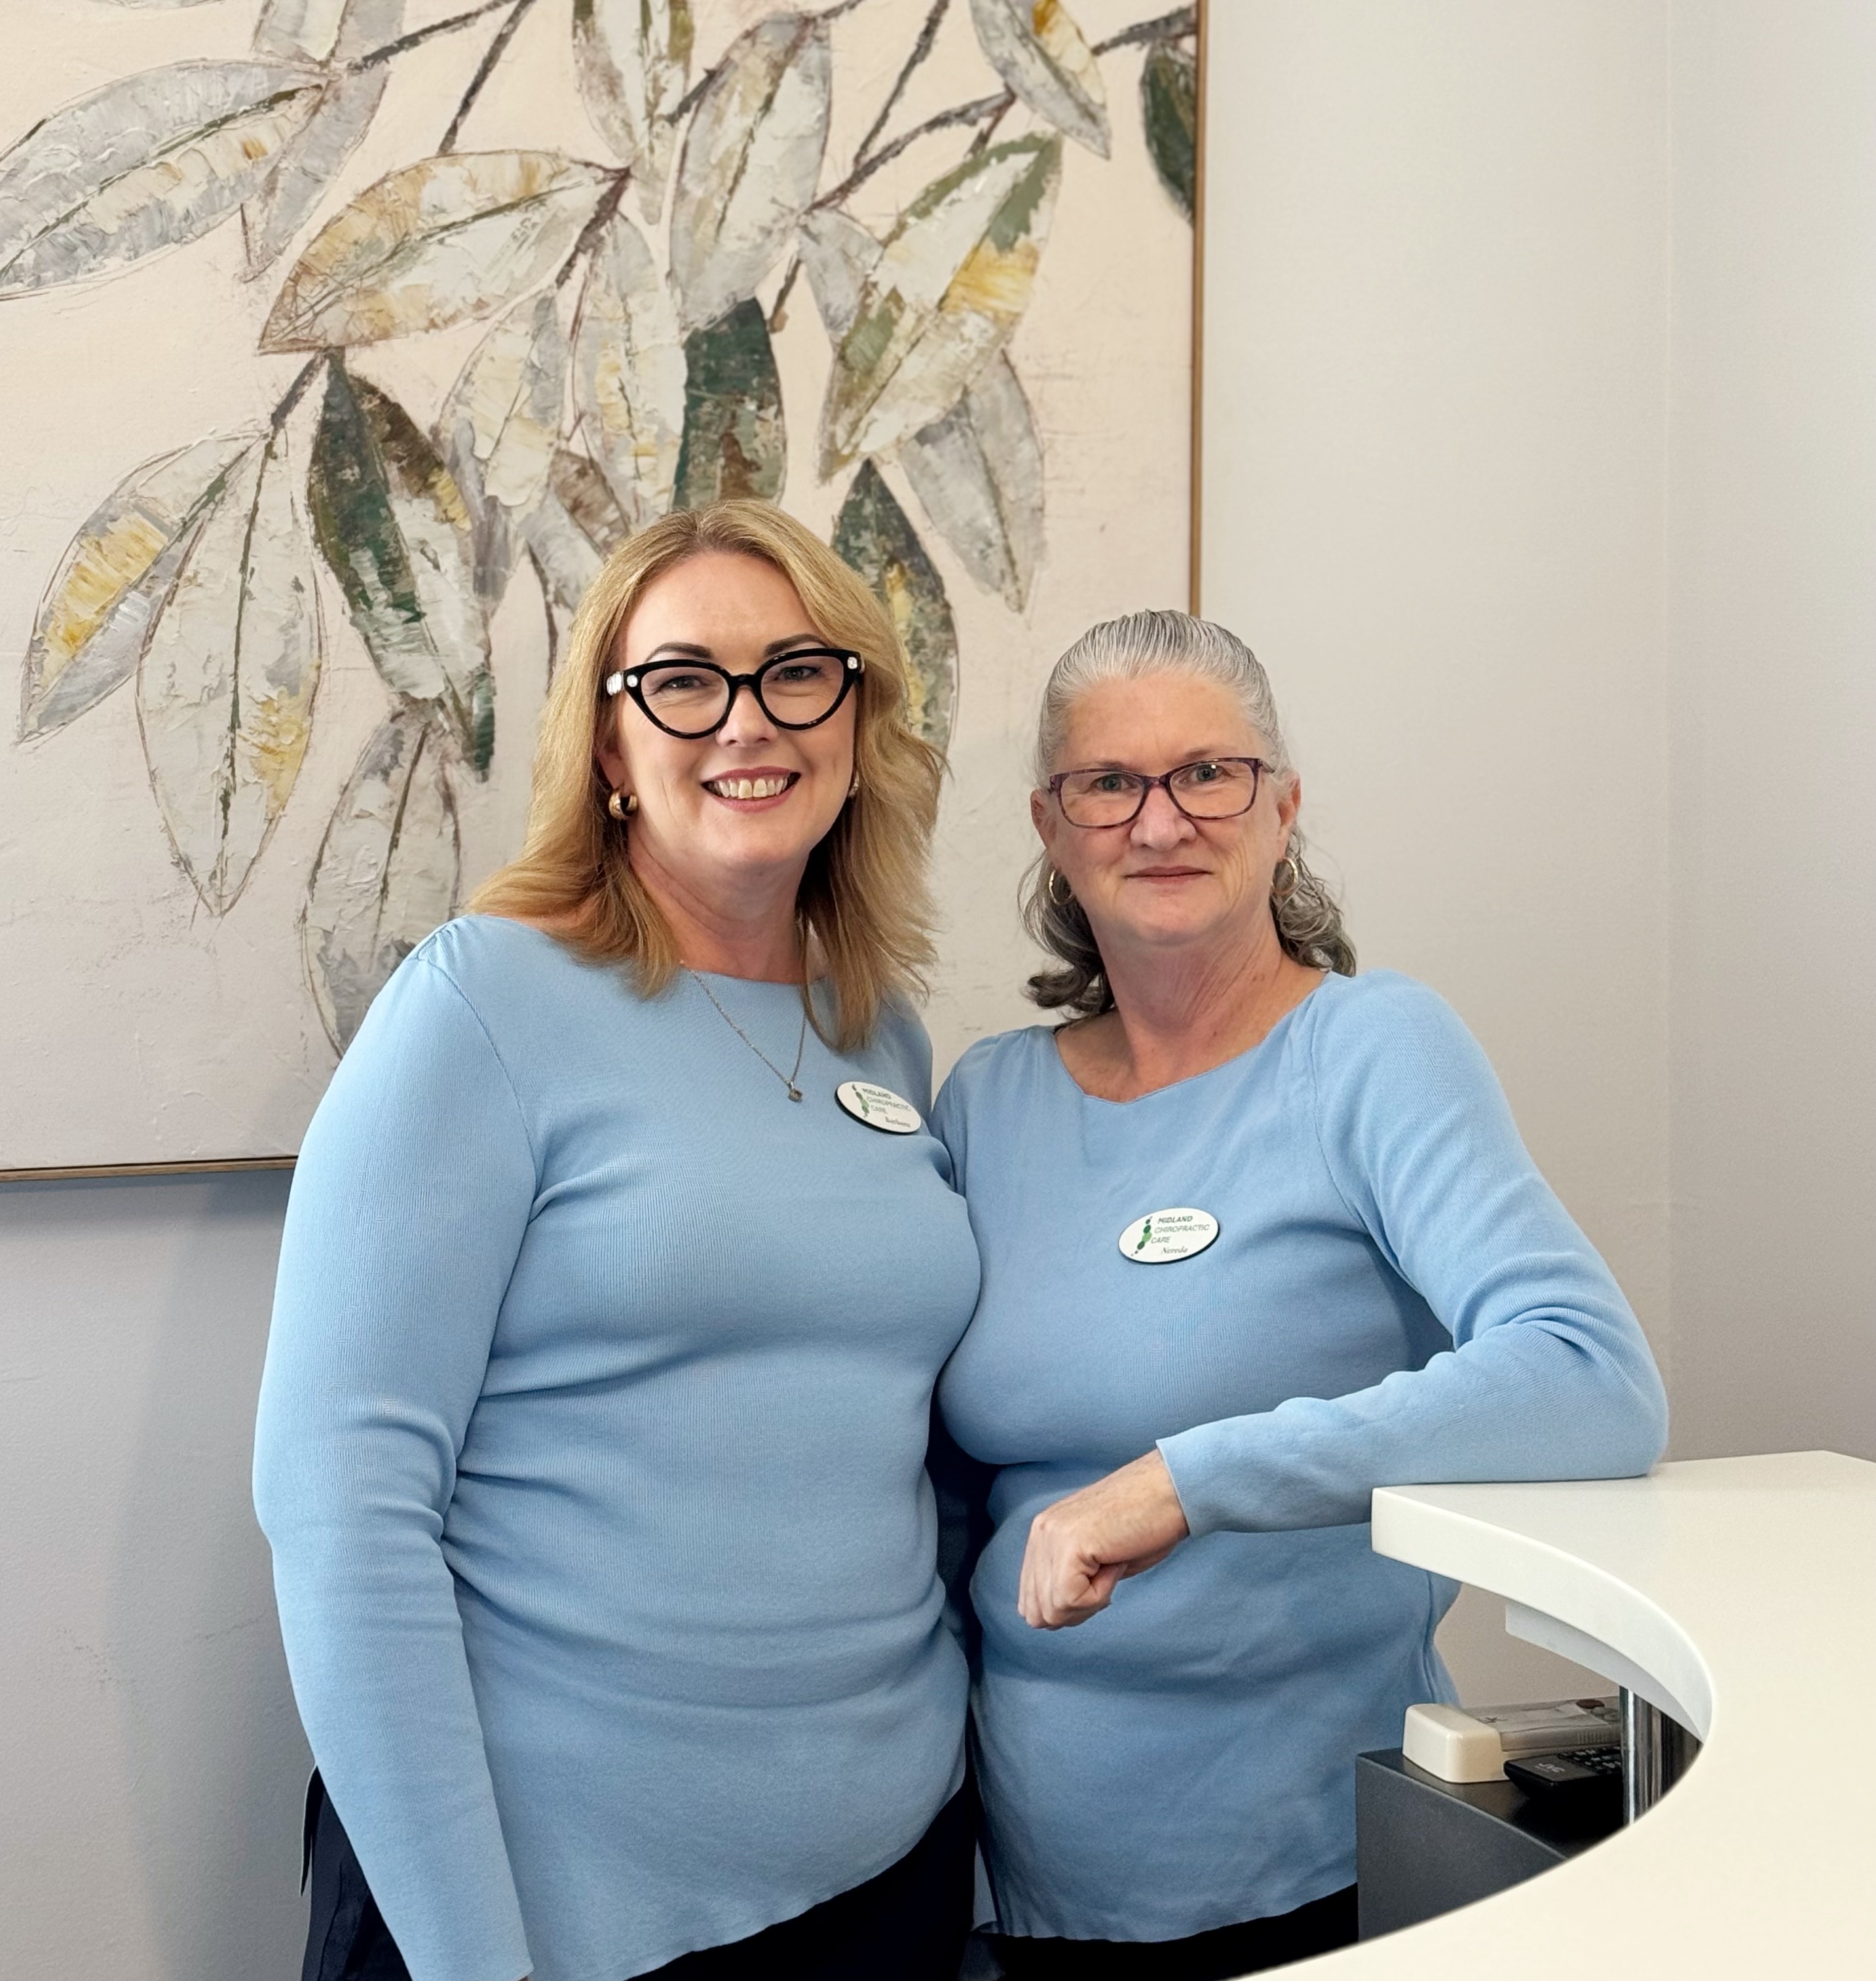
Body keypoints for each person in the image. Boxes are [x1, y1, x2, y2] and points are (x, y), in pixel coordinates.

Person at [253, 502, 983, 1981]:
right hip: (555, 1909)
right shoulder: (481, 1006)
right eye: (683, 680)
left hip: (887, 1878)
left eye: (798, 672)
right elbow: (342, 1511)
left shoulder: (882, 1035)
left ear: (858, 716)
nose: (746, 723)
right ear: (606, 744)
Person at [932, 612, 1667, 1979]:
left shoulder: (1372, 1050)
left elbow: (1590, 1378)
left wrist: (1186, 1478)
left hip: (1311, 1870)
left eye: (1209, 773)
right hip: (1027, 1876)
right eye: (1110, 784)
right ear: (1051, 822)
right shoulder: (988, 1099)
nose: (1161, 822)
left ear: (1284, 805)